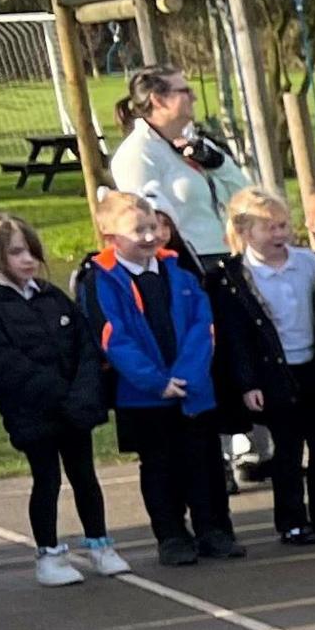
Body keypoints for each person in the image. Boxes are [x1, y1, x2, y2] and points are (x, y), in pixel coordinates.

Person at [83, 189, 239, 563]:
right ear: (111, 237)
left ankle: (213, 529)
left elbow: (203, 327)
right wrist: (157, 381)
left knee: (204, 461)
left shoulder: (179, 273)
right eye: (139, 230)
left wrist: (186, 375)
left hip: (192, 389)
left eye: (152, 226)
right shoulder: (103, 280)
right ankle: (171, 535)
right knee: (159, 467)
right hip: (144, 396)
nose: (150, 236)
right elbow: (113, 337)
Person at [0, 214, 127, 582]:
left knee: (85, 476)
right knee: (47, 479)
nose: (28, 260)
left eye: (31, 252)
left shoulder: (52, 295)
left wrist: (83, 390)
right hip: (34, 412)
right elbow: (2, 362)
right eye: (16, 252)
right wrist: (59, 394)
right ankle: (50, 555)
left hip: (75, 408)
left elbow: (85, 345)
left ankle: (99, 544)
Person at [224, 185, 315, 545]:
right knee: (287, 448)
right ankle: (291, 520)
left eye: (283, 225)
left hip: (312, 365)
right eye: (269, 228)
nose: (280, 234)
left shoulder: (308, 263)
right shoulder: (237, 279)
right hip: (274, 373)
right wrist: (248, 383)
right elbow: (237, 339)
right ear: (244, 232)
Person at [102, 66, 249, 272]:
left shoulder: (196, 142)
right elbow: (145, 224)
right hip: (186, 266)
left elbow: (245, 194)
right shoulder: (137, 154)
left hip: (232, 256)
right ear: (158, 100)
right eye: (185, 91)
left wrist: (217, 163)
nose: (194, 97)